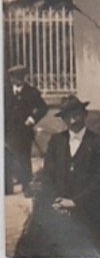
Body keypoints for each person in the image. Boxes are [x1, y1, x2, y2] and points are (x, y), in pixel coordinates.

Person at [36, 95, 100, 257]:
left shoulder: (98, 142)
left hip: (88, 210)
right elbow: (48, 175)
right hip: (57, 208)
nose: (73, 121)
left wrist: (74, 202)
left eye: (76, 115)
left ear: (85, 115)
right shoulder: (56, 141)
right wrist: (56, 201)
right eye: (68, 117)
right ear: (63, 119)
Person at [4, 65, 48, 196]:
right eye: (14, 77)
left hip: (23, 132)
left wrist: (32, 119)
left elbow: (43, 108)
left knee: (23, 159)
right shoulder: (5, 91)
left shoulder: (32, 92)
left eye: (20, 77)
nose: (17, 80)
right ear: (11, 78)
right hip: (6, 131)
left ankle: (27, 187)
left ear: (24, 77)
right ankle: (6, 187)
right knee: (6, 158)